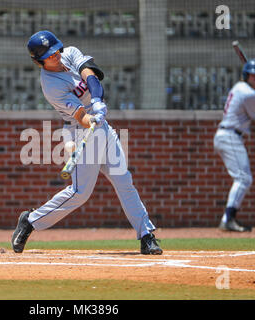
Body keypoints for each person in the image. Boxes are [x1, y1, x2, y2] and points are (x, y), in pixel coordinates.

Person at [11, 30, 162, 254]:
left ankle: (146, 236)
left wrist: (98, 100)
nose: (55, 56)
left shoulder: (69, 53)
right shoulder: (51, 86)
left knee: (124, 181)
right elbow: (81, 117)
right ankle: (31, 220)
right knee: (79, 193)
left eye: (55, 51)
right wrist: (92, 117)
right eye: (49, 55)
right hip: (81, 130)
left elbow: (90, 75)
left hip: (102, 128)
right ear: (38, 61)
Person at [214, 58, 255, 232]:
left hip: (228, 135)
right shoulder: (249, 93)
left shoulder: (240, 88)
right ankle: (228, 219)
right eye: (252, 75)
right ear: (246, 75)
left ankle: (229, 218)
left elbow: (254, 110)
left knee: (243, 178)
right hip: (230, 136)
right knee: (243, 178)